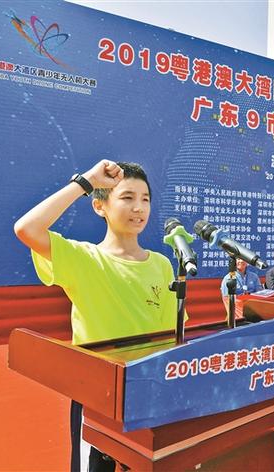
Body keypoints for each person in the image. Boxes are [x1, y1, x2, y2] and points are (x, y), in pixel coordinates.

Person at [14, 160, 178, 472]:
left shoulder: (161, 264)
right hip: (98, 395)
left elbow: (171, 334)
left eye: (145, 199)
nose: (138, 208)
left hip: (148, 392)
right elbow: (27, 228)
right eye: (127, 197)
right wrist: (86, 181)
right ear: (99, 206)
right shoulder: (85, 258)